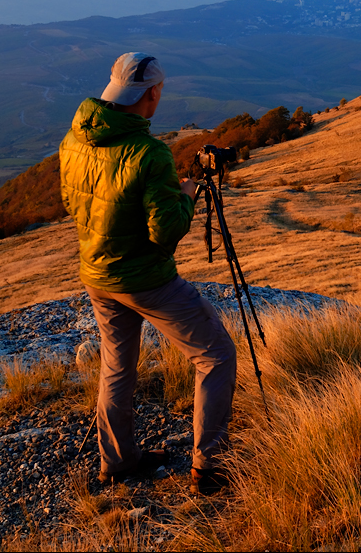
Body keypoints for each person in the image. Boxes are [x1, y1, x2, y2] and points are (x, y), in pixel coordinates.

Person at [59, 52, 237, 495]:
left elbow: (73, 202)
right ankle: (209, 467)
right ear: (153, 93)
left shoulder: (73, 140)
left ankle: (118, 463)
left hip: (97, 273)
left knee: (117, 368)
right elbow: (166, 233)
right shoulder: (148, 153)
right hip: (146, 280)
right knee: (215, 354)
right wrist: (188, 195)